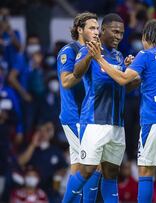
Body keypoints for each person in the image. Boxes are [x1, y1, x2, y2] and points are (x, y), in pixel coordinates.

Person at [93, 19, 156, 203]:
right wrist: (135, 67)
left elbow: (124, 79)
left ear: (146, 37)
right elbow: (154, 79)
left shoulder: (146, 54)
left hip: (155, 119)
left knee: (145, 170)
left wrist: (99, 58)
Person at [61, 13, 127, 203]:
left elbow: (124, 84)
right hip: (94, 121)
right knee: (87, 169)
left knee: (111, 172)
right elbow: (76, 72)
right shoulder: (87, 49)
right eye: (115, 32)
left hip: (116, 122)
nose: (118, 36)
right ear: (103, 30)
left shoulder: (119, 55)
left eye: (121, 33)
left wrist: (129, 70)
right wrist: (91, 55)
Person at [58, 12, 102, 203]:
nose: (97, 31)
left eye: (98, 28)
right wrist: (84, 65)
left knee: (77, 168)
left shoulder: (94, 51)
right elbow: (66, 82)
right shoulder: (69, 51)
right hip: (75, 116)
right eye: (92, 28)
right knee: (94, 166)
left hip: (88, 117)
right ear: (79, 29)